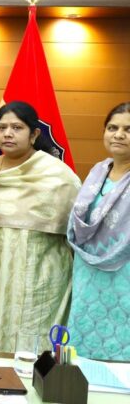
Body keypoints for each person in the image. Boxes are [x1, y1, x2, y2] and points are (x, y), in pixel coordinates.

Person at [0, 101, 81, 353]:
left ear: (34, 134)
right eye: (2, 128)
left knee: (27, 339)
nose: (8, 133)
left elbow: (76, 232)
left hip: (35, 275)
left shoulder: (57, 175)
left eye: (17, 127)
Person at [66, 102, 130, 361]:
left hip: (125, 272)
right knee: (84, 340)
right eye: (112, 128)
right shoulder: (98, 171)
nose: (119, 135)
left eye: (128, 129)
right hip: (88, 270)